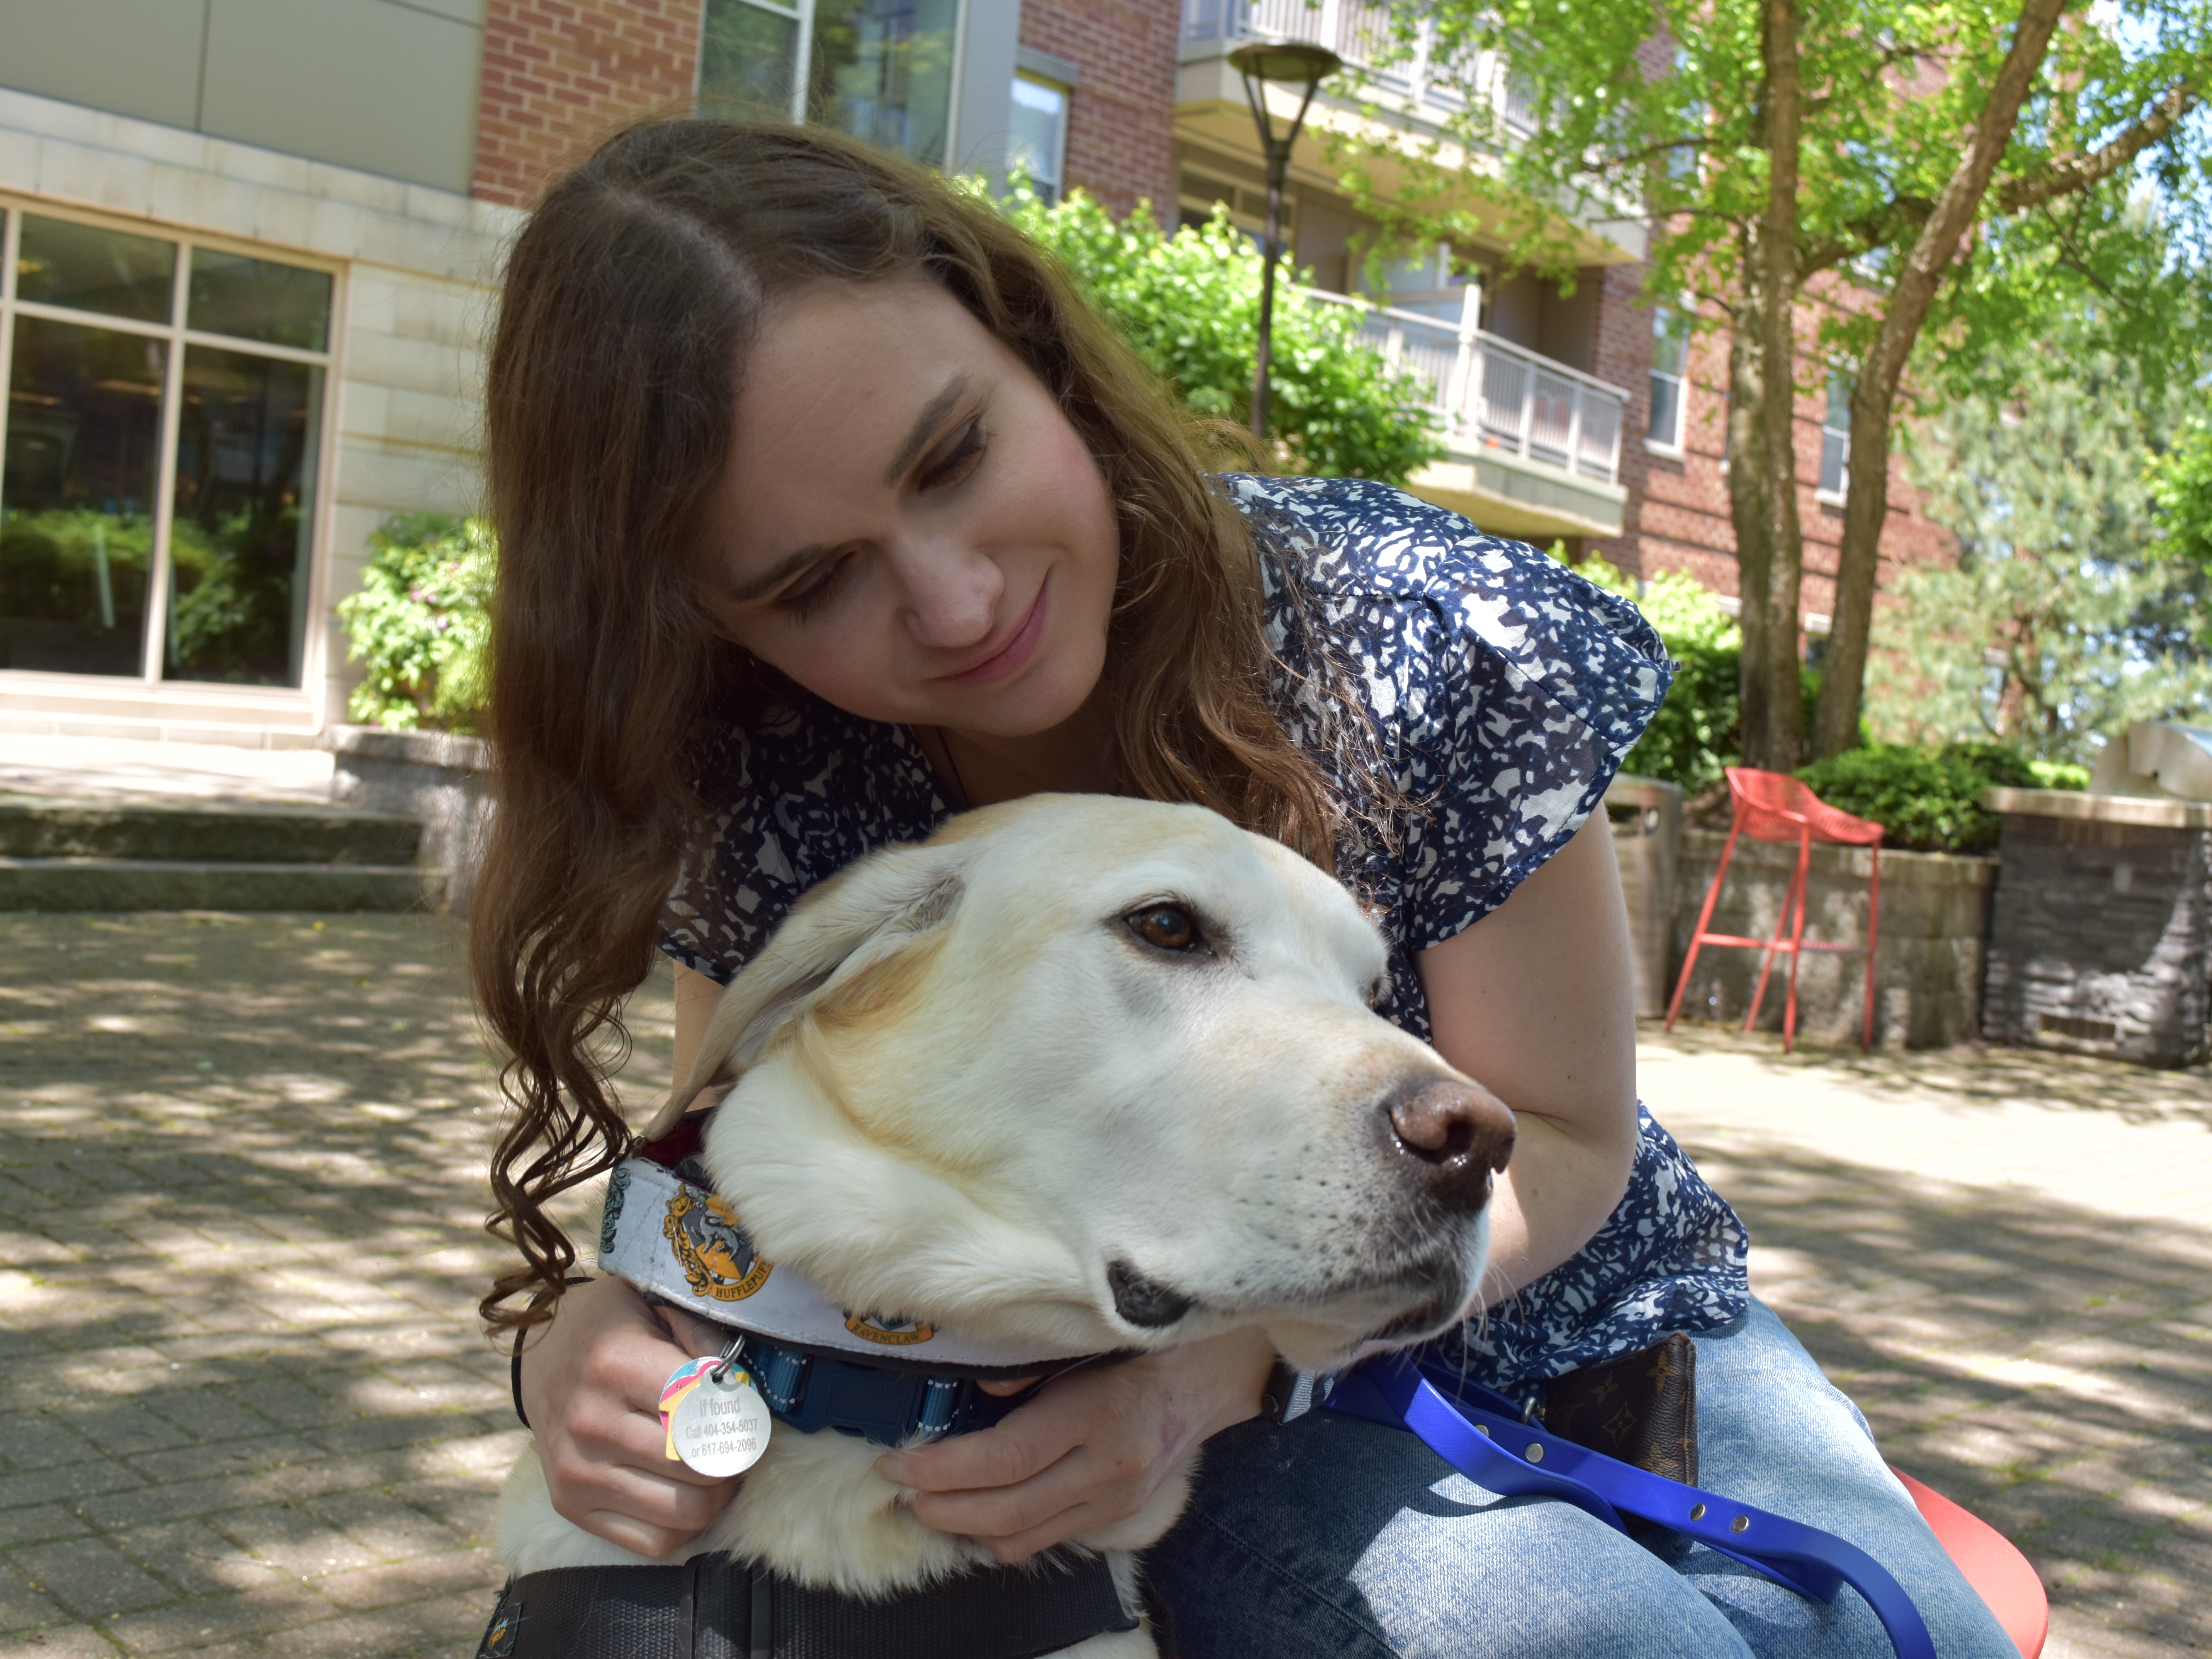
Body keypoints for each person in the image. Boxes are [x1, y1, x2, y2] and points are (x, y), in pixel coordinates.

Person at [474, 119, 2015, 1658]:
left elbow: (1561, 1129)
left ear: (1041, 362)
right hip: (1154, 1389)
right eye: (815, 581)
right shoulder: (764, 766)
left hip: (1576, 1304)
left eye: (954, 459)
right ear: (711, 622)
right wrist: (582, 1344)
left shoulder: (1415, 625)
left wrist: (1235, 1364)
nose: (957, 600)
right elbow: (719, 1179)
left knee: (1918, 1640)